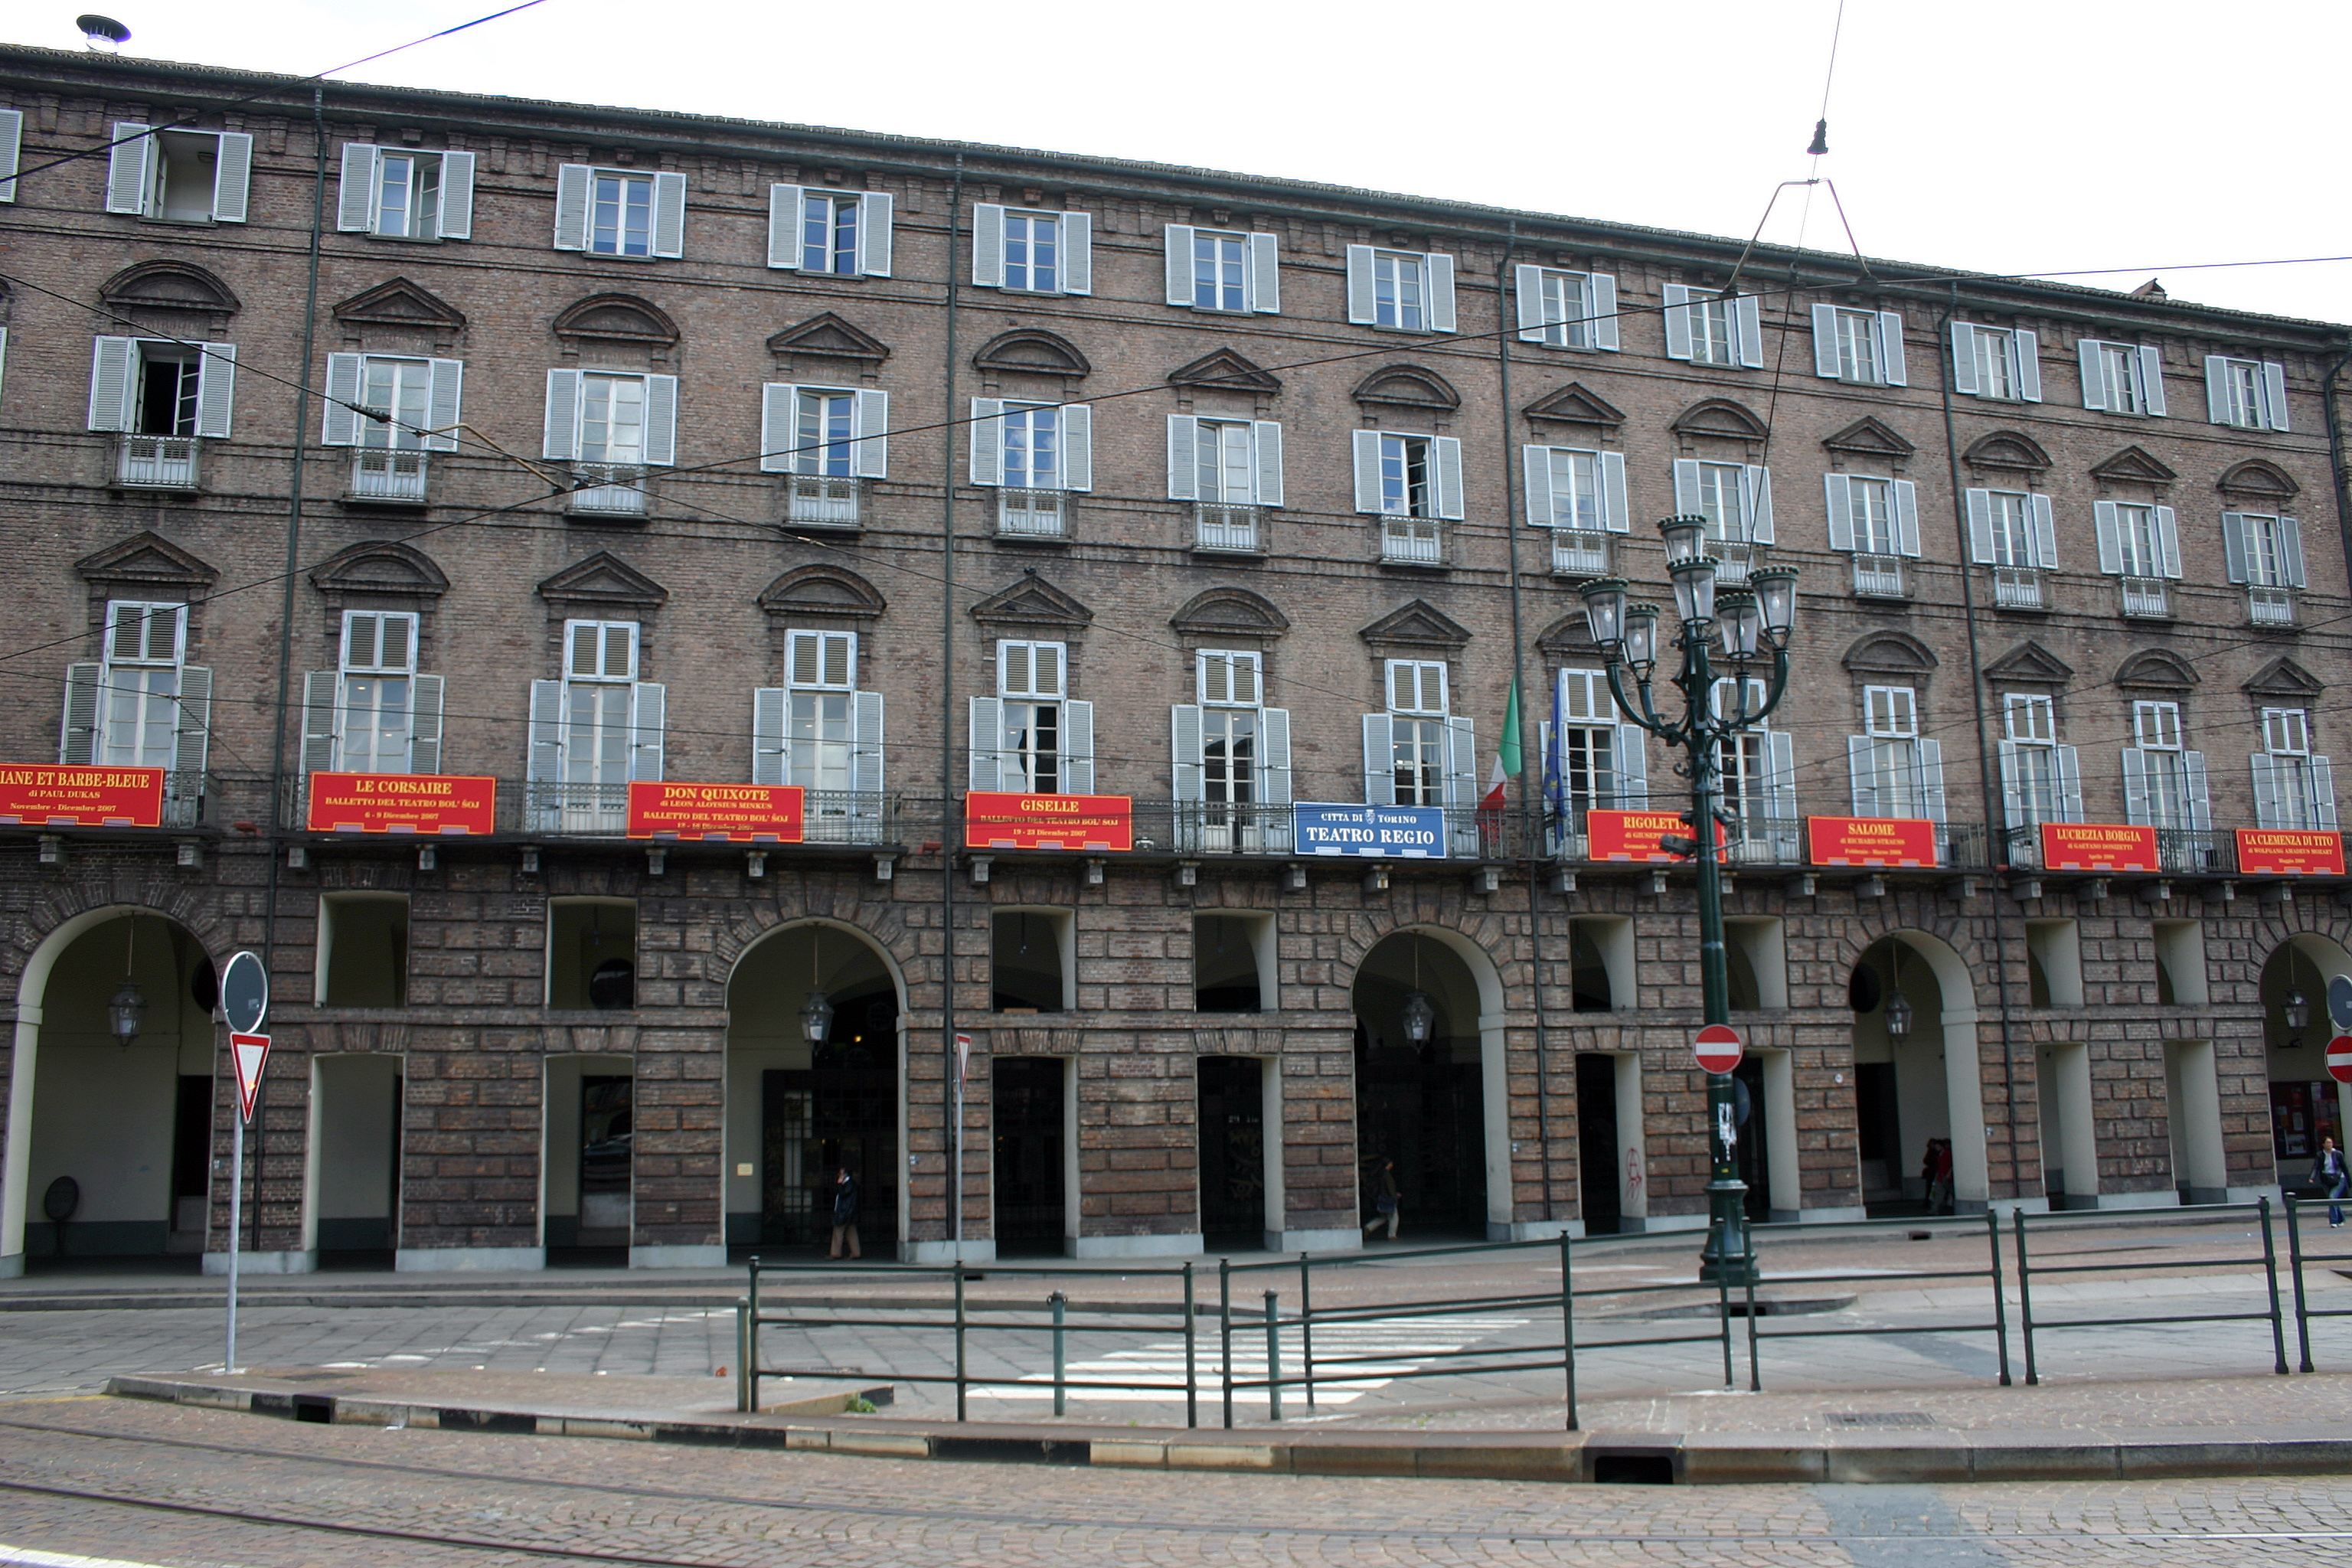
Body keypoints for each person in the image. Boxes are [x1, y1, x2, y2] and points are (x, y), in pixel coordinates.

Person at [2314, 1135, 2350, 1229]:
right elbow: (2316, 1167)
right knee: (2333, 1200)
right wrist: (2312, 1177)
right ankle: (2341, 1219)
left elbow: (2345, 1168)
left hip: (2338, 1179)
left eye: (2331, 1142)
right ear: (2323, 1145)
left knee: (2332, 1197)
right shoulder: (2320, 1155)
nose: (2329, 1144)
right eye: (2327, 1143)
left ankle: (2333, 1221)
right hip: (2326, 1179)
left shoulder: (2338, 1154)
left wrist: (2350, 1182)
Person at [1362, 1158, 1401, 1241]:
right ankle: (1392, 1235)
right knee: (1394, 1217)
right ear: (1389, 1164)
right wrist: (1394, 1197)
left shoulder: (1380, 1174)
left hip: (1382, 1198)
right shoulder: (1387, 1175)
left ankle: (1368, 1228)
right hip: (1388, 1199)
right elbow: (1390, 1188)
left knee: (1383, 1217)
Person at [828, 1165, 861, 1259]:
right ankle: (856, 1253)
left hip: (844, 1213)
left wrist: (839, 1184)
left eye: (842, 1173)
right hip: (849, 1213)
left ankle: (835, 1253)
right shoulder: (850, 1184)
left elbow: (842, 1194)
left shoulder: (849, 1184)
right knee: (851, 1233)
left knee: (838, 1233)